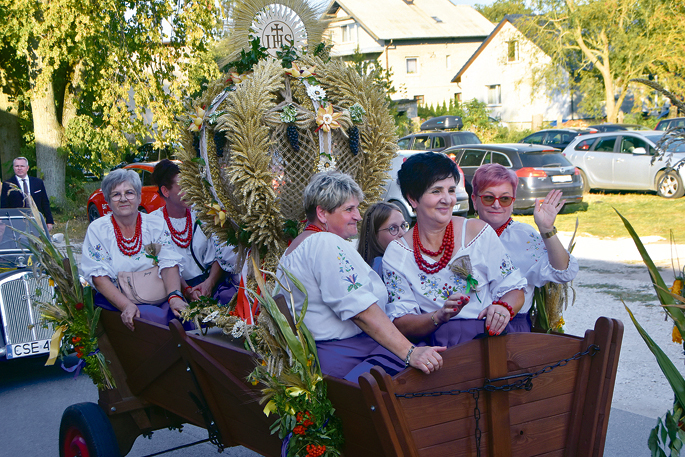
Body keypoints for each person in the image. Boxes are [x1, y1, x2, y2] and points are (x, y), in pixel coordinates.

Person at [277, 171, 446, 382]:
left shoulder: (295, 247)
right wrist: (410, 352)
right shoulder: (325, 243)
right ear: (322, 213)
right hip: (348, 359)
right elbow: (361, 310)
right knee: (435, 365)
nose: (358, 216)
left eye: (356, 208)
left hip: (328, 357)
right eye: (349, 209)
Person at [382, 152, 527, 347]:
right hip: (434, 346)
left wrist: (503, 308)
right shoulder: (397, 253)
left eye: (450, 190)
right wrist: (438, 316)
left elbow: (515, 290)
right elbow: (402, 323)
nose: (447, 199)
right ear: (413, 198)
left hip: (486, 340)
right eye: (436, 191)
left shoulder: (478, 233)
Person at [80, 168, 188, 331]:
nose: (123, 198)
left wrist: (175, 296)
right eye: (116, 194)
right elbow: (98, 277)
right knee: (148, 320)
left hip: (158, 295)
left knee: (183, 316)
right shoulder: (98, 229)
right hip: (119, 301)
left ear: (138, 197)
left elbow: (169, 263)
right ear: (108, 202)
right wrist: (126, 305)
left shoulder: (155, 224)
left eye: (129, 193)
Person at [471, 163, 578, 323]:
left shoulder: (523, 236)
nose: (496, 204)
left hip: (512, 329)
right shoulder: (463, 232)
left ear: (513, 201)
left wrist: (546, 229)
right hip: (468, 326)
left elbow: (563, 272)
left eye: (505, 199)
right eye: (488, 197)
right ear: (474, 200)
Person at [150, 159, 239, 304]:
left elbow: (220, 253)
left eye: (190, 185)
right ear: (166, 191)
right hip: (175, 291)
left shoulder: (203, 214)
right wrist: (186, 291)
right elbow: (161, 264)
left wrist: (209, 283)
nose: (190, 191)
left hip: (211, 284)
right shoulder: (154, 222)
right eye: (182, 187)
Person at [1, 157, 54, 231]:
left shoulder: (38, 182)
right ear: (13, 168)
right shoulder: (7, 184)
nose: (19, 168)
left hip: (35, 221)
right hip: (16, 222)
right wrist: (4, 222)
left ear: (27, 168)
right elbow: (4, 205)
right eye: (17, 166)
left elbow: (45, 202)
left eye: (22, 166)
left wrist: (49, 221)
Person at [357, 202, 409, 276]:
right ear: (374, 234)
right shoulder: (381, 265)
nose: (402, 233)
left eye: (403, 225)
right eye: (392, 228)